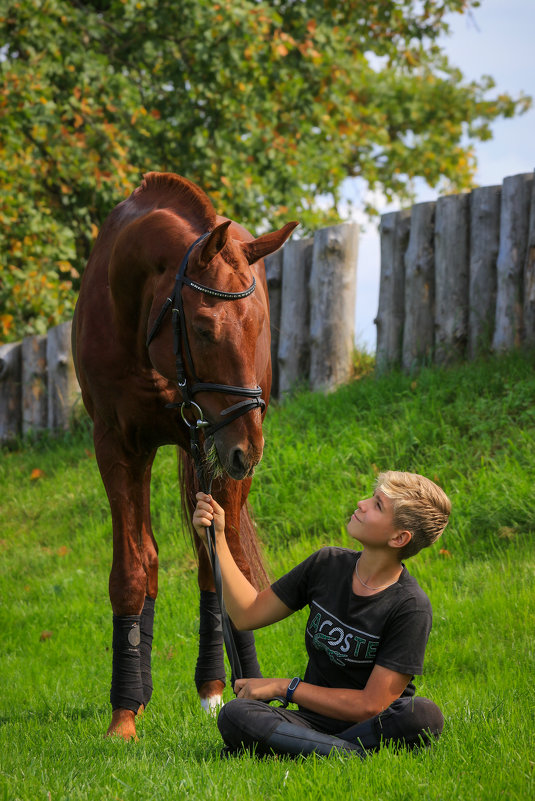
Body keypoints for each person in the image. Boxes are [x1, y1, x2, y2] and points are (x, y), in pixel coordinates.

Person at [192, 470, 451, 759]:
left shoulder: (410, 606)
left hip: (372, 725)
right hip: (311, 720)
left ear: (399, 537)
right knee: (236, 714)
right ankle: (347, 753)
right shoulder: (327, 565)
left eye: (377, 505)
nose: (362, 503)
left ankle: (304, 747)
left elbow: (371, 705)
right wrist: (215, 540)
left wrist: (284, 687)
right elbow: (247, 613)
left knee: (422, 715)